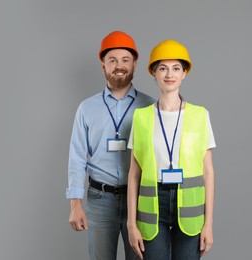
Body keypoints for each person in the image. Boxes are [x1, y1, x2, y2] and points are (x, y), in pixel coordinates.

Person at [66, 31, 155, 260]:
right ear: (102, 65)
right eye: (112, 60)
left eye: (125, 60)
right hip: (99, 198)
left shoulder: (150, 107)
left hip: (139, 200)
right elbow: (77, 158)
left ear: (135, 63)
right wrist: (75, 204)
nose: (119, 66)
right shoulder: (86, 108)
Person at [127, 39, 216, 259]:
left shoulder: (200, 115)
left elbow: (208, 172)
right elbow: (134, 174)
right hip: (152, 207)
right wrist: (131, 225)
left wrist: (209, 224)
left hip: (190, 207)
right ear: (154, 73)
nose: (170, 74)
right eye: (163, 68)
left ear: (184, 73)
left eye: (176, 68)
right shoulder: (141, 117)